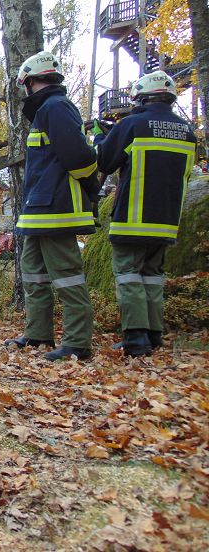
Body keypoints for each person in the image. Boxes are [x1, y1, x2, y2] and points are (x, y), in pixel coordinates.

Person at [4, 51, 99, 361]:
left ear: (30, 81)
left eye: (25, 85)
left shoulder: (57, 107)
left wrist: (90, 188)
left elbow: (80, 157)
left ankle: (77, 343)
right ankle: (38, 333)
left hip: (57, 208)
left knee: (67, 275)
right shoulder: (47, 110)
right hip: (38, 209)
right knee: (33, 272)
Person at [94, 70, 196, 357]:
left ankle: (135, 338)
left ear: (139, 98)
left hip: (133, 216)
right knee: (152, 276)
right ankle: (153, 335)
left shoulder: (133, 124)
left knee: (128, 274)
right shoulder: (187, 131)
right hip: (166, 220)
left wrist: (102, 138)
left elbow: (105, 160)